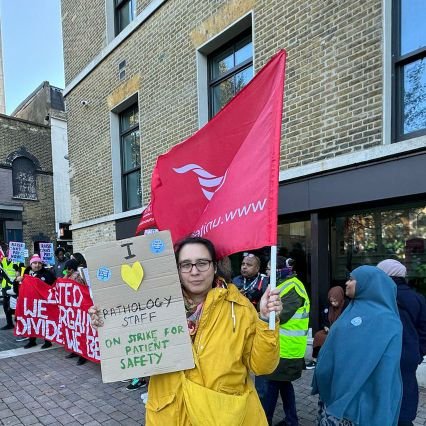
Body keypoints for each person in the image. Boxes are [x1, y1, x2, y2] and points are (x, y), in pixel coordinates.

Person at [89, 236, 282, 425]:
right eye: (186, 265)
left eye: (202, 263)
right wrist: (108, 324)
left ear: (215, 266)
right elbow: (129, 352)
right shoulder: (152, 307)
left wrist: (266, 320)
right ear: (177, 270)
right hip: (169, 416)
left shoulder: (239, 307)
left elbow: (262, 366)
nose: (194, 271)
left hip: (222, 417)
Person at [312, 265, 403, 425]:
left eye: (352, 279)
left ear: (368, 283)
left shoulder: (386, 320)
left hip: (357, 405)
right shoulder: (352, 308)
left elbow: (385, 371)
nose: (347, 283)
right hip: (334, 395)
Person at [256, 256, 310, 426]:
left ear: (280, 270)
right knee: (284, 386)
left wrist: (260, 314)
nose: (266, 272)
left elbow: (280, 316)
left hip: (286, 351)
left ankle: (266, 421)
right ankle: (291, 420)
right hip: (281, 349)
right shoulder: (283, 285)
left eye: (269, 268)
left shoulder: (293, 288)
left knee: (271, 388)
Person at [377, 259, 426, 426]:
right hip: (409, 355)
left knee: (383, 393)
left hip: (383, 354)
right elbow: (424, 330)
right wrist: (418, 353)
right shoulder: (418, 298)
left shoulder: (380, 297)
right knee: (407, 389)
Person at [18, 254, 56, 349]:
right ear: (31, 264)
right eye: (35, 263)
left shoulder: (47, 273)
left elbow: (54, 285)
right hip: (30, 302)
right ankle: (32, 341)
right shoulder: (26, 273)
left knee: (44, 321)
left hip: (43, 303)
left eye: (39, 263)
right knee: (31, 321)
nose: (37, 265)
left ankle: (47, 341)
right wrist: (18, 280)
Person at [306, 286, 347, 370]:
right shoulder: (329, 307)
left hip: (341, 331)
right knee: (318, 335)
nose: (333, 303)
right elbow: (324, 320)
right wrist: (326, 326)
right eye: (331, 301)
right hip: (330, 330)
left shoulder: (346, 306)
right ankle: (315, 360)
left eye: (335, 301)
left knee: (329, 338)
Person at [63, 257, 89, 365]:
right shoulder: (69, 276)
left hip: (77, 308)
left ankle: (83, 355)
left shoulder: (77, 277)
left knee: (79, 332)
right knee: (73, 331)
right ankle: (75, 350)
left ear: (71, 269)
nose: (66, 271)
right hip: (71, 309)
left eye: (67, 269)